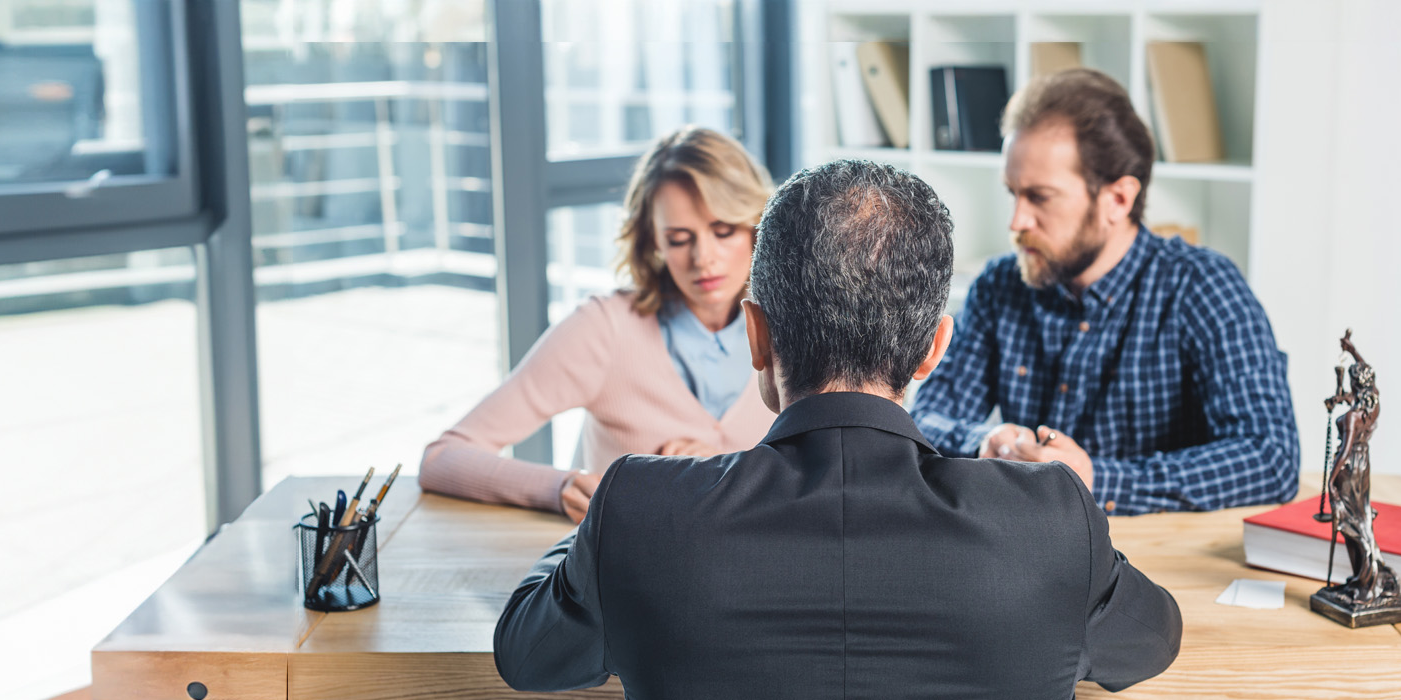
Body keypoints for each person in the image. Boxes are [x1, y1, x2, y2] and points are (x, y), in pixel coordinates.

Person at [492, 160, 1181, 697]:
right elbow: (1154, 639)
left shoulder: (639, 509)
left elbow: (525, 652)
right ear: (933, 349)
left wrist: (601, 526)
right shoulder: (1052, 517)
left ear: (755, 336)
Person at [911, 68, 1299, 514]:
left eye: (1040, 197)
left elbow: (1272, 458)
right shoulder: (999, 285)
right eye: (1013, 193)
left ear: (1118, 199)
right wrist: (985, 440)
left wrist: (1096, 479)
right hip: (1035, 554)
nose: (1016, 221)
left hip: (1153, 560)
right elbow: (926, 420)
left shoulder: (1203, 288)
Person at [420, 127, 777, 523]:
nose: (702, 258)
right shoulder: (604, 329)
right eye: (678, 239)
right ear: (653, 241)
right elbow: (442, 458)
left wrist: (716, 472)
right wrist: (560, 487)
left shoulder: (794, 328)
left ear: (756, 226)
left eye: (723, 231)